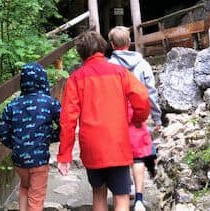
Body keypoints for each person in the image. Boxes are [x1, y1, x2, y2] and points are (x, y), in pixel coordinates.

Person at [56, 31, 150, 211]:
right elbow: (142, 96)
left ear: (81, 53)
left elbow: (68, 119)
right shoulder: (120, 72)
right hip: (118, 143)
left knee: (98, 192)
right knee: (121, 195)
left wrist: (64, 155)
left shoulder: (76, 78)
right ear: (103, 47)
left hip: (91, 145)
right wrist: (138, 118)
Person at [108, 26, 162, 211]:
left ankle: (127, 188)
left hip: (116, 117)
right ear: (129, 42)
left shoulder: (109, 66)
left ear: (112, 45)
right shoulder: (143, 64)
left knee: (123, 156)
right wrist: (157, 118)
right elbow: (151, 93)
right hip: (138, 116)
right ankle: (139, 200)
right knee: (139, 157)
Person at [0, 62, 61, 211]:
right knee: (36, 198)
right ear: (43, 80)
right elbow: (65, 123)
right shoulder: (49, 103)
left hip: (20, 159)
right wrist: (50, 137)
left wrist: (15, 144)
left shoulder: (12, 105)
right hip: (39, 159)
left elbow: (1, 131)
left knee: (25, 188)